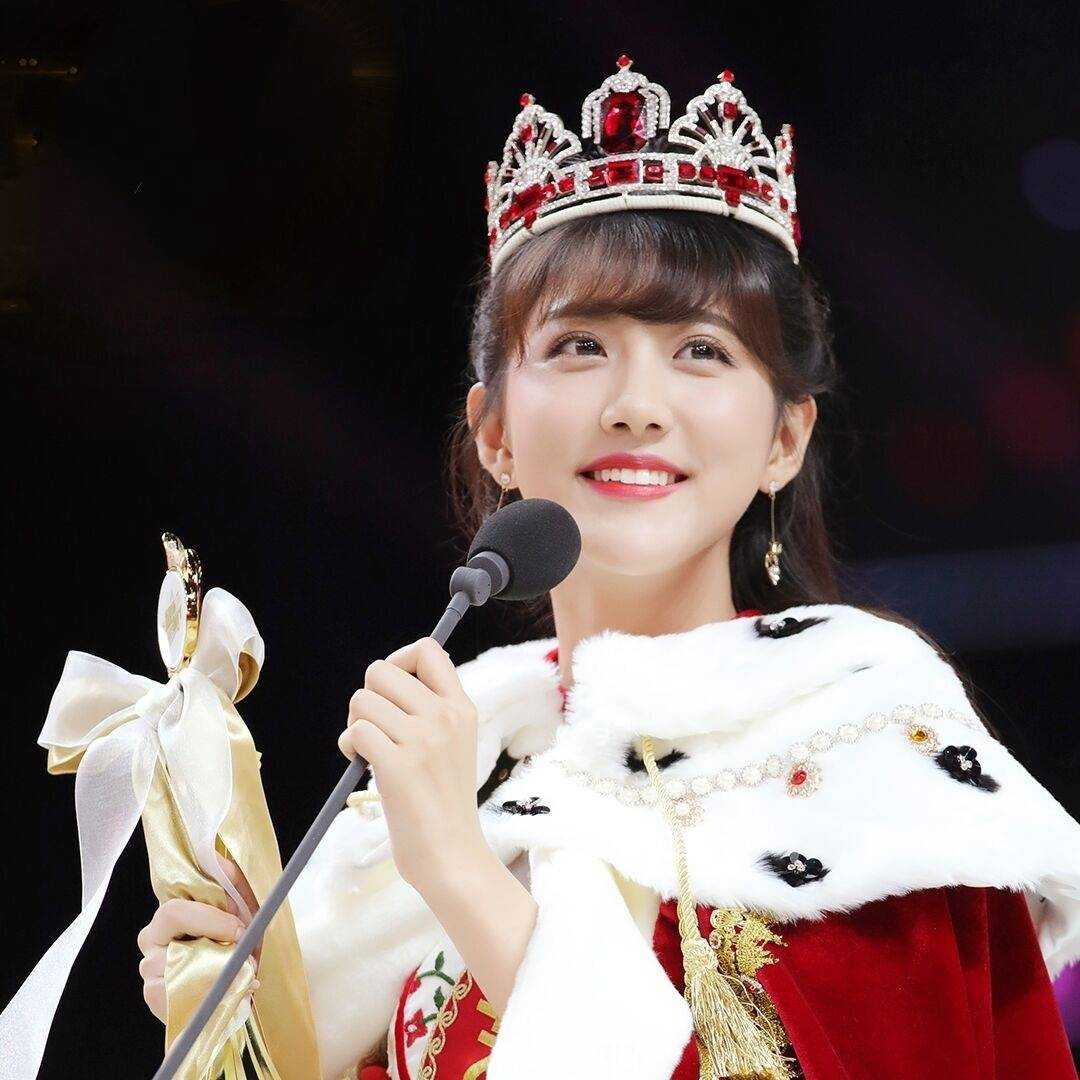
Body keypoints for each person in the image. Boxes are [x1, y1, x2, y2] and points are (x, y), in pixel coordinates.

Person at [137, 56, 1080, 1080]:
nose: (636, 405)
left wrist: (458, 869)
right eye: (580, 345)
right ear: (495, 432)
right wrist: (244, 1019)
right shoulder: (469, 772)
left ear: (785, 438)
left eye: (703, 350)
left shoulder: (873, 763)